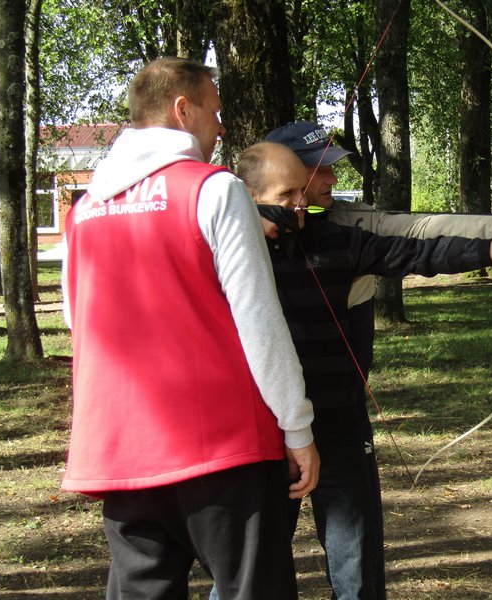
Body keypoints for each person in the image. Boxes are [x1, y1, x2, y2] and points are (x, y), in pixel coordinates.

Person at [233, 141, 492, 600]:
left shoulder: (333, 239)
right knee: (251, 572)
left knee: (356, 565)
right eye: (286, 195)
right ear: (249, 196)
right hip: (261, 434)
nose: (300, 203)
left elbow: (415, 252)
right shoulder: (226, 253)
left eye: (301, 191)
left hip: (336, 421)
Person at [61, 58, 319, 599]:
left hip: (123, 451)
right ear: (183, 110)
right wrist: (297, 428)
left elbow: (76, 319)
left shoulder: (83, 209)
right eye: (215, 111)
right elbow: (260, 323)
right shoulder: (215, 189)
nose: (220, 127)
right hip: (223, 448)